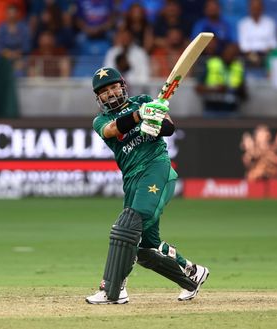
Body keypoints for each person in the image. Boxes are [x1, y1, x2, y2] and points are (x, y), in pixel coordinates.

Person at [85, 67, 210, 305]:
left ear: (123, 86)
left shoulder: (143, 101)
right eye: (104, 91)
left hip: (156, 168)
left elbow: (170, 128)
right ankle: (192, 275)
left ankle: (112, 289)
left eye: (113, 87)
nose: (110, 93)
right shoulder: (101, 120)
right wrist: (139, 116)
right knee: (145, 248)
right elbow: (113, 130)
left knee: (128, 225)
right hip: (132, 179)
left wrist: (154, 123)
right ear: (98, 98)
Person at [195, 42, 247, 117]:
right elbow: (198, 88)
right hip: (211, 108)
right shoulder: (211, 63)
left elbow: (245, 94)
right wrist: (215, 89)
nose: (230, 56)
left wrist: (238, 89)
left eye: (234, 54)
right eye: (228, 53)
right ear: (223, 53)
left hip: (232, 110)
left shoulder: (238, 67)